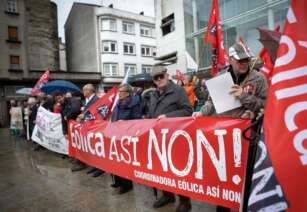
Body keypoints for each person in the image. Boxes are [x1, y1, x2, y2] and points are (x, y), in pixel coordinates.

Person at [193, 42, 268, 212]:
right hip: (224, 138)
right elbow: (211, 101)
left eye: (246, 60)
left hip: (247, 140)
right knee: (224, 179)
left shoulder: (259, 78)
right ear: (231, 60)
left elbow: (266, 105)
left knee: (246, 180)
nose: (244, 64)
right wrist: (201, 113)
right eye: (240, 60)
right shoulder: (221, 77)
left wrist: (244, 97)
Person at [144, 66, 193, 212]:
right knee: (162, 168)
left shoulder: (178, 91)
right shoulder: (153, 94)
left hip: (175, 138)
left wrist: (168, 117)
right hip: (159, 139)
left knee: (178, 169)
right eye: (155, 78)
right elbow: (152, 114)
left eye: (161, 76)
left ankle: (185, 201)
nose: (159, 80)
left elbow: (188, 111)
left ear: (167, 75)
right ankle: (167, 195)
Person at [110, 84, 142, 194]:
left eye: (121, 91)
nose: (119, 93)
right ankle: (118, 181)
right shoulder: (118, 103)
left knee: (124, 162)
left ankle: (127, 185)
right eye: (119, 91)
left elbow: (137, 120)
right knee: (115, 160)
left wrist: (124, 124)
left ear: (127, 93)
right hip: (116, 136)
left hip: (126, 137)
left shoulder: (134, 103)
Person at [71, 84, 99, 173]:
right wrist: (80, 116)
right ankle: (85, 162)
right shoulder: (86, 100)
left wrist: (84, 115)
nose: (83, 92)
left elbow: (97, 113)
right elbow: (85, 110)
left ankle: (96, 165)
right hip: (86, 126)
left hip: (93, 127)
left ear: (89, 91)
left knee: (93, 146)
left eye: (84, 90)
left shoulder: (96, 100)